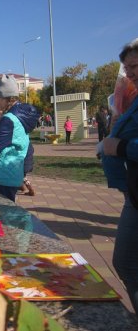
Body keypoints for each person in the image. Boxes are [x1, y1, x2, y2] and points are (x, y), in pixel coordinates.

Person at [101, 38, 138, 315]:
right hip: (133, 192)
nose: (130, 74)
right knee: (125, 262)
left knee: (126, 262)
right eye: (127, 69)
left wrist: (122, 146)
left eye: (135, 66)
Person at [0, 75, 39, 202]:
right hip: (13, 172)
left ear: (3, 98)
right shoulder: (20, 116)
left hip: (2, 175)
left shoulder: (8, 120)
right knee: (7, 210)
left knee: (0, 212)